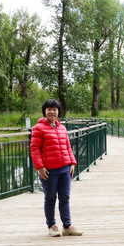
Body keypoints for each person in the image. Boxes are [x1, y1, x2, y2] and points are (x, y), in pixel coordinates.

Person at [30, 99, 82, 237]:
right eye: (49, 109)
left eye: (54, 109)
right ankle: (52, 225)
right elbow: (34, 149)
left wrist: (72, 162)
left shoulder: (62, 128)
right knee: (50, 198)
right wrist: (40, 167)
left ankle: (67, 226)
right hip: (49, 171)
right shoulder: (38, 128)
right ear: (45, 112)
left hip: (65, 169)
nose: (52, 112)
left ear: (58, 111)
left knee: (65, 198)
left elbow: (67, 146)